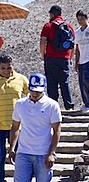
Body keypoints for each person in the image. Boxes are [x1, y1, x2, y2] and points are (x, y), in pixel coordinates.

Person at [8, 73, 62, 182]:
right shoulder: (20, 104)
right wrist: (12, 148)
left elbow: (57, 131)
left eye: (38, 91)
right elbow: (15, 127)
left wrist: (51, 153)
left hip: (43, 153)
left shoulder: (52, 105)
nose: (35, 93)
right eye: (33, 90)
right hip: (23, 152)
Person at [40, 5, 75, 110]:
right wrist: (70, 57)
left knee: (51, 82)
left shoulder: (48, 26)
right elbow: (73, 44)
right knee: (64, 82)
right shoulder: (68, 26)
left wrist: (43, 54)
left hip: (50, 58)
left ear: (52, 14)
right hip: (64, 58)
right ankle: (69, 106)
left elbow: (43, 41)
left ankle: (53, 107)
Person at [0, 54, 28, 182]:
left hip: (17, 127)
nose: (6, 71)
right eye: (3, 68)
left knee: (20, 157)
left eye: (9, 68)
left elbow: (33, 95)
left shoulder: (21, 79)